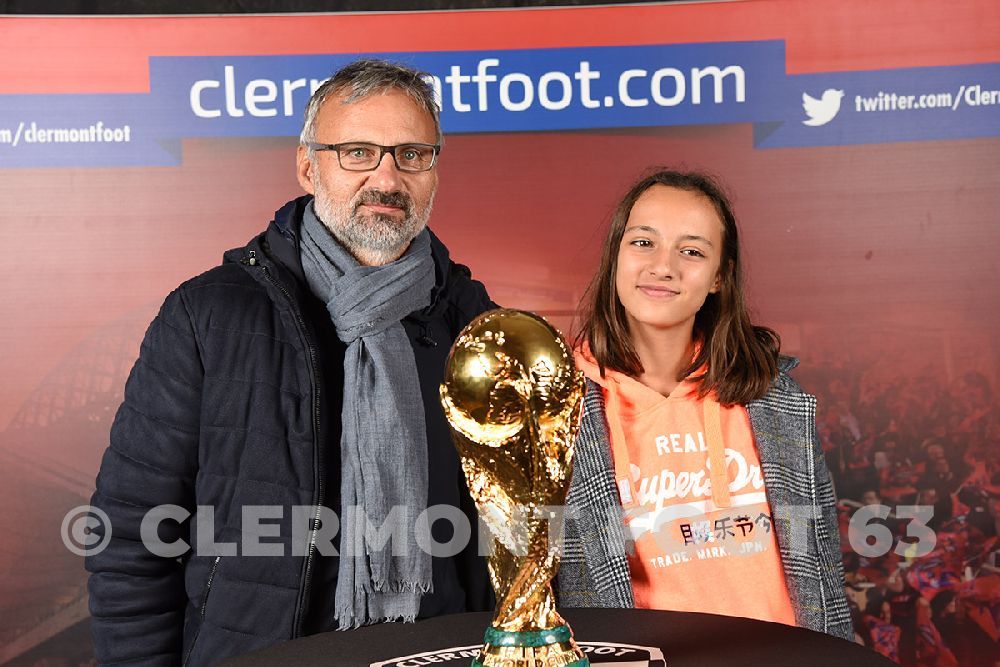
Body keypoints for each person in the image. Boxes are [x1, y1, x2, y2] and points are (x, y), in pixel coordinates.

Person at [86, 59, 495, 666]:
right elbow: (130, 535)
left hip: (444, 651)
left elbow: (525, 531)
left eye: (412, 154)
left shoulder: (477, 324)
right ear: (308, 166)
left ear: (434, 172)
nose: (387, 177)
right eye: (357, 152)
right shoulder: (209, 316)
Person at [558, 169, 853, 640]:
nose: (663, 266)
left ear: (720, 276)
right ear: (615, 255)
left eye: (691, 251)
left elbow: (820, 571)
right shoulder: (559, 404)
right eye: (642, 243)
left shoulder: (775, 398)